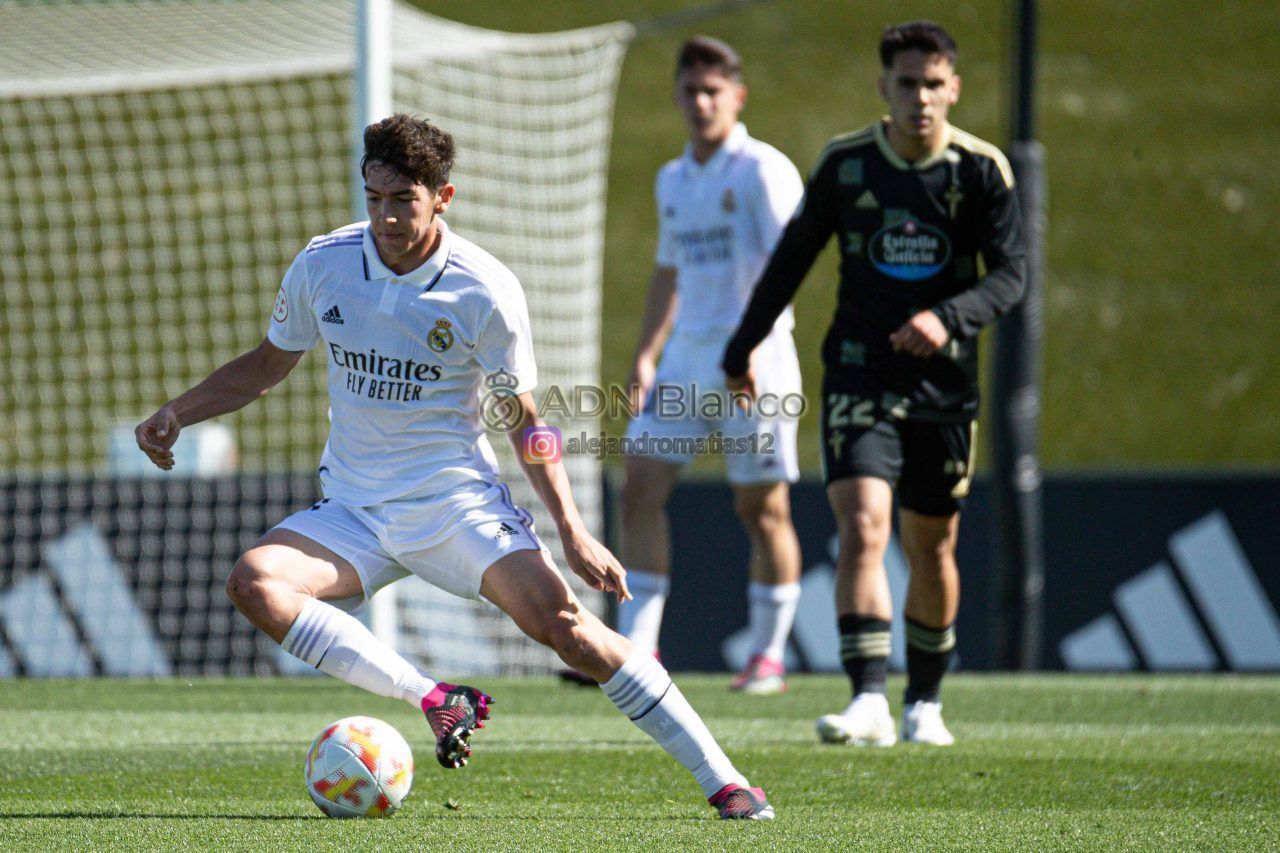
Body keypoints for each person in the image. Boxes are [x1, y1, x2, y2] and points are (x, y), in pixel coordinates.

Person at [136, 114, 773, 819]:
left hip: (454, 508)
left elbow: (525, 420)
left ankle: (726, 780)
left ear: (443, 197)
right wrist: (178, 412)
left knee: (570, 630)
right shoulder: (324, 263)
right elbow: (265, 365)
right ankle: (436, 698)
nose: (384, 216)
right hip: (353, 510)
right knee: (254, 582)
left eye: (402, 200)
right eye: (374, 197)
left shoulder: (484, 289)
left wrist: (572, 529)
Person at [722, 22, 1026, 745]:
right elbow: (791, 261)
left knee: (932, 545)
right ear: (884, 87)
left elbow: (1012, 275)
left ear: (954, 88)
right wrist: (741, 348)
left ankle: (925, 702)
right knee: (862, 525)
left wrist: (947, 318)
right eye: (906, 83)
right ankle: (866, 699)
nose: (920, 97)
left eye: (933, 83)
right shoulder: (848, 164)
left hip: (943, 388)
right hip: (858, 374)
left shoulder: (981, 171)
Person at [614, 36, 805, 695]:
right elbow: (669, 270)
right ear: (676, 95)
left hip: (754, 358)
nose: (701, 103)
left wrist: (748, 345)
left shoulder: (762, 170)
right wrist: (646, 354)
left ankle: (768, 656)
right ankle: (638, 648)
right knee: (639, 485)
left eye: (713, 92)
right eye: (691, 91)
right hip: (686, 358)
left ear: (737, 97)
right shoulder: (672, 177)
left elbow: (791, 261)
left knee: (761, 508)